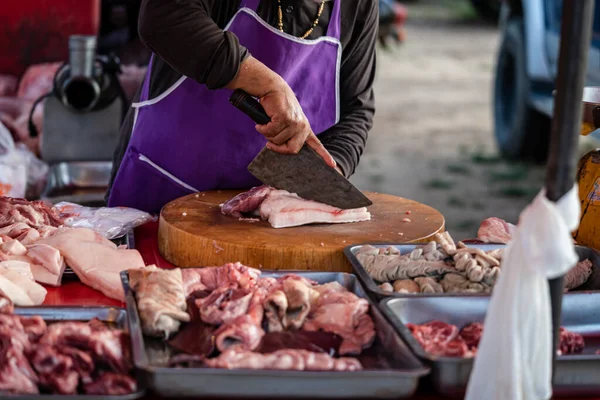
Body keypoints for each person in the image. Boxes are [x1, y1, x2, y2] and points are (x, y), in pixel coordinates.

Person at [106, 0, 377, 214]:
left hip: (258, 217)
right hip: (155, 197)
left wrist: (329, 172)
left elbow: (354, 109)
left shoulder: (358, 6)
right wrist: (268, 84)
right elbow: (163, 16)